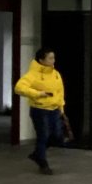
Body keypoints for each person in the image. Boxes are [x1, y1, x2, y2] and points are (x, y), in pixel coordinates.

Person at [14, 46, 69, 175]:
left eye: (53, 58)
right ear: (41, 60)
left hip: (54, 109)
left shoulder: (56, 74)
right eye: (50, 58)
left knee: (57, 136)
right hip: (40, 110)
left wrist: (61, 108)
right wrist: (38, 94)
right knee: (43, 136)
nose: (53, 60)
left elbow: (60, 92)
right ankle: (43, 163)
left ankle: (37, 154)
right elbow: (19, 88)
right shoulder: (32, 74)